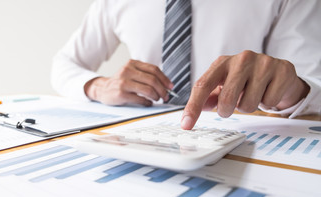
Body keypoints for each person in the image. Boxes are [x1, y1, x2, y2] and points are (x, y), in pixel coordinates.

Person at [51, 0, 321, 130]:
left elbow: (312, 84)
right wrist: (99, 87)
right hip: (143, 136)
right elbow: (64, 64)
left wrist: (293, 91)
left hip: (246, 137)